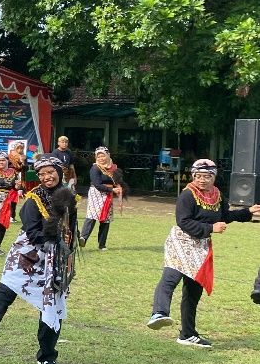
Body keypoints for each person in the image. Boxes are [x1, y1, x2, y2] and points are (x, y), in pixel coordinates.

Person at [0, 156, 78, 364]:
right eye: (42, 174)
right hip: (28, 253)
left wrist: (67, 249)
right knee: (6, 289)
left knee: (52, 305)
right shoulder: (33, 199)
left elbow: (70, 227)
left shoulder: (69, 197)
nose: (47, 177)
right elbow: (32, 231)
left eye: (50, 172)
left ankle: (47, 356)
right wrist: (49, 241)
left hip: (55, 258)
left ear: (59, 172)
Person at [146, 159, 260, 348]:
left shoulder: (217, 195)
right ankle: (159, 313)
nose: (202, 180)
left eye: (207, 176)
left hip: (201, 247)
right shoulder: (188, 195)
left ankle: (187, 334)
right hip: (181, 241)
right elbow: (183, 221)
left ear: (214, 177)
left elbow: (225, 216)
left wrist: (247, 212)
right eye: (198, 176)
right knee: (171, 277)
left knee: (193, 291)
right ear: (193, 176)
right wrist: (211, 227)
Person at [79, 146, 122, 250]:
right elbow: (97, 184)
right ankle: (83, 238)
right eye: (98, 156)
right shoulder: (95, 168)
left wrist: (119, 187)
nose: (101, 158)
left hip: (108, 195)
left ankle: (102, 244)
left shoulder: (113, 168)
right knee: (92, 215)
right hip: (96, 194)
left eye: (103, 156)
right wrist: (112, 190)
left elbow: (117, 180)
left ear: (107, 156)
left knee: (106, 219)